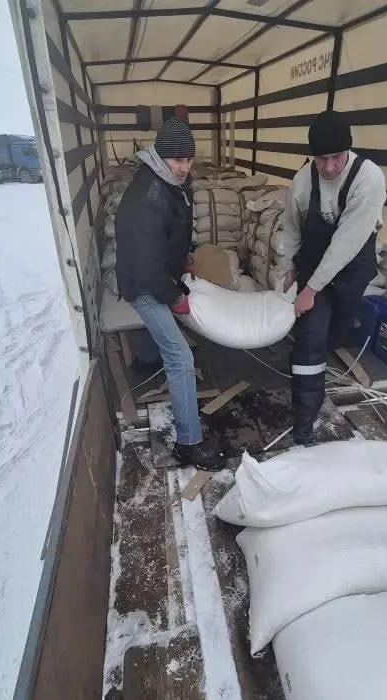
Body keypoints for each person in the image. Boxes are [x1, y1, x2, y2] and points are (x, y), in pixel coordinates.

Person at [115, 118, 224, 470]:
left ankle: (188, 424)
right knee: (180, 358)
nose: (184, 167)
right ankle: (188, 444)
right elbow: (146, 263)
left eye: (188, 160)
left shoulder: (174, 182)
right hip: (144, 284)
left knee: (177, 352)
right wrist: (175, 297)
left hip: (160, 273)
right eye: (177, 160)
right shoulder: (147, 196)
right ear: (160, 157)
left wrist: (185, 259)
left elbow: (172, 232)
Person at [280, 110, 386, 444]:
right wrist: (290, 268)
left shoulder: (368, 179)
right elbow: (292, 227)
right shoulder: (302, 181)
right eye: (320, 159)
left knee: (333, 336)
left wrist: (310, 289)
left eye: (335, 158)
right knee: (310, 342)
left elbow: (346, 243)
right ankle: (304, 421)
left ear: (348, 150)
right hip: (314, 266)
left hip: (352, 268)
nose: (328, 167)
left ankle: (324, 354)